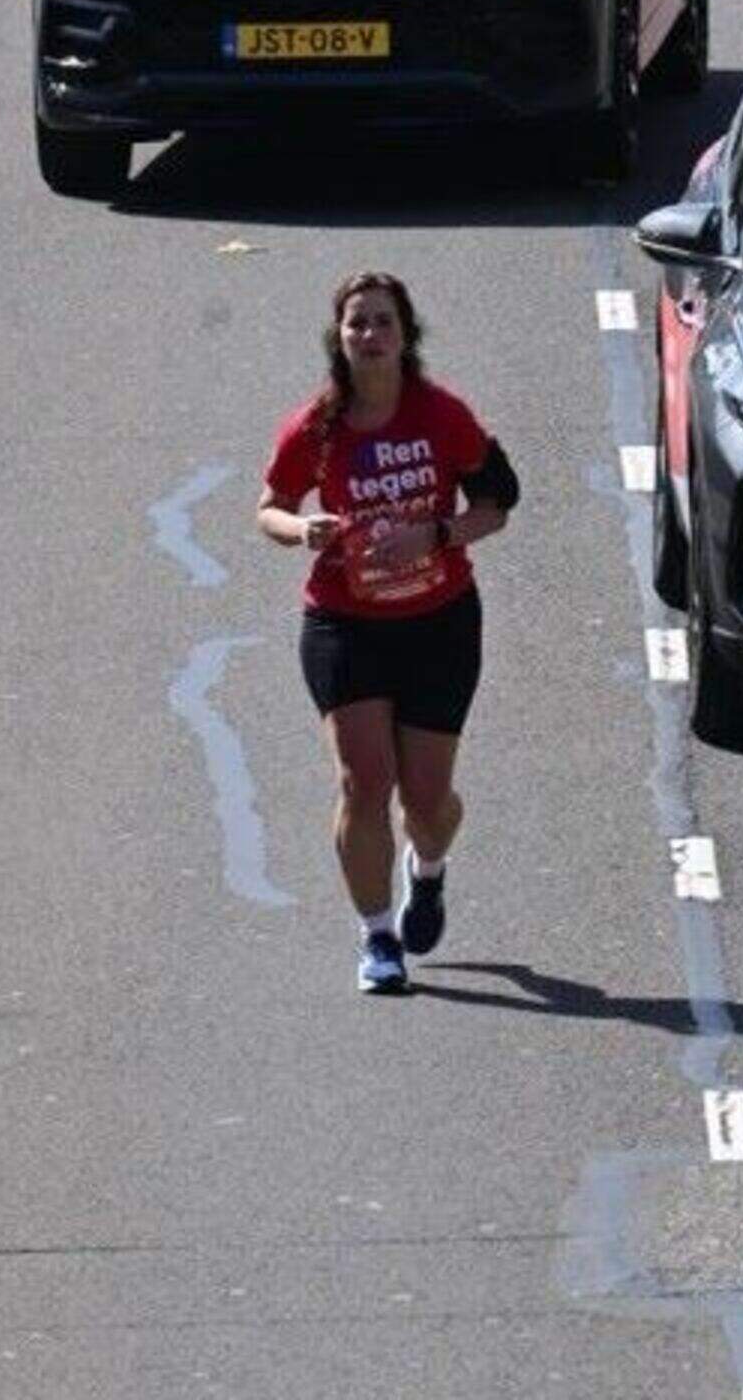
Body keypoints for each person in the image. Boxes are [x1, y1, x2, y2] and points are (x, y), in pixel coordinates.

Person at [255, 274, 519, 997]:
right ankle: (378, 936)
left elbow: (498, 503)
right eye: (357, 324)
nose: (369, 336)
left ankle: (426, 872)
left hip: (439, 623)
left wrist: (436, 534)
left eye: (382, 324)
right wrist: (301, 529)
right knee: (362, 783)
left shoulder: (443, 418)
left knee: (427, 805)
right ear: (338, 339)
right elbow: (270, 508)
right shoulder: (317, 426)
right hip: (344, 624)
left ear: (405, 338)